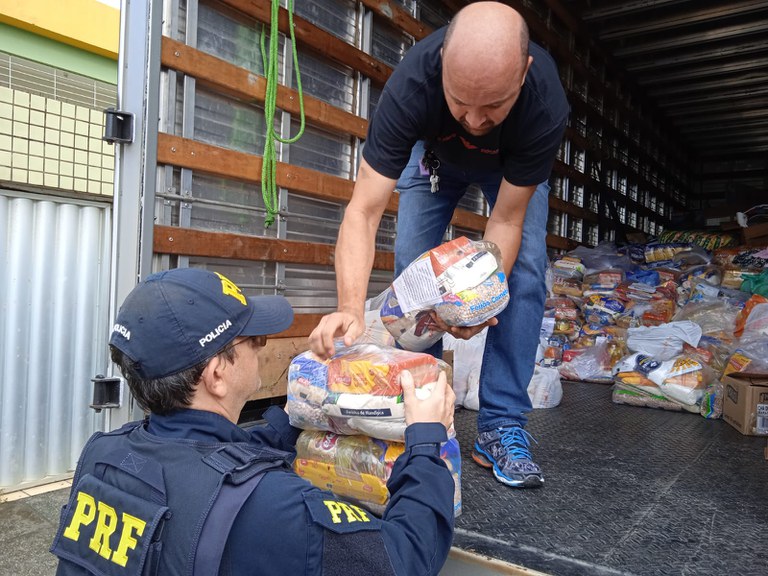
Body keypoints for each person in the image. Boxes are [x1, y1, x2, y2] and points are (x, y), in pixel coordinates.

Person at [309, 2, 569, 488]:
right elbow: (363, 210)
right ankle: (413, 413)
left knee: (527, 273)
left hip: (510, 173)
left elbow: (507, 221)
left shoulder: (544, 102)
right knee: (413, 280)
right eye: (459, 100)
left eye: (493, 105)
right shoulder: (412, 85)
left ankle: (501, 426)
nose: (473, 119)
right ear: (442, 59)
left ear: (524, 74)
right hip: (433, 160)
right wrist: (349, 307)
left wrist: (478, 305)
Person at [50, 267, 456, 576]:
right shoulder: (278, 507)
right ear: (216, 375)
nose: (263, 347)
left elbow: (214, 457)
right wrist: (424, 444)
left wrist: (310, 404)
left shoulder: (102, 457)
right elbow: (405, 558)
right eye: (253, 340)